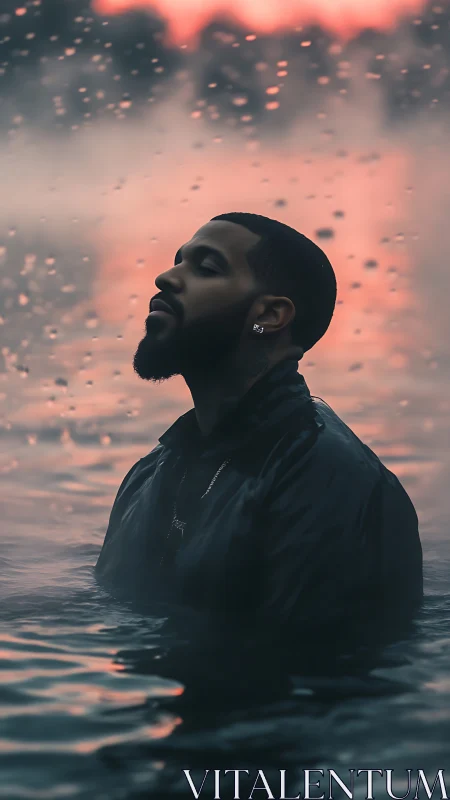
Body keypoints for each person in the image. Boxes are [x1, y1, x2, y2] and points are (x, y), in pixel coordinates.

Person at [95, 212, 423, 648]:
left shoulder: (329, 478)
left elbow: (320, 681)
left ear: (267, 316)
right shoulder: (149, 474)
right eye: (177, 261)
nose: (165, 277)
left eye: (206, 268)